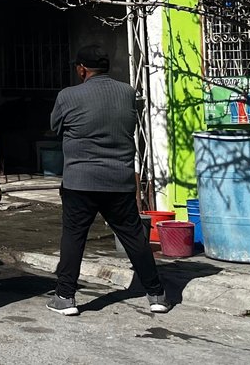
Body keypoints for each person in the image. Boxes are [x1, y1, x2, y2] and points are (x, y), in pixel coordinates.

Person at [47, 45, 169, 316]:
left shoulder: (68, 96)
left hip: (80, 180)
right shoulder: (127, 92)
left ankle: (65, 297)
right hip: (119, 179)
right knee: (134, 237)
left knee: (74, 237)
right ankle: (157, 294)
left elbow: (56, 126)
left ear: (82, 69)